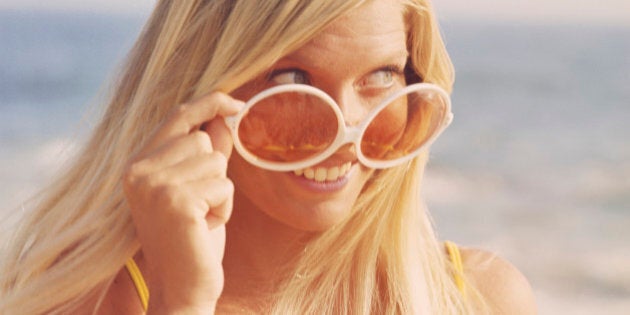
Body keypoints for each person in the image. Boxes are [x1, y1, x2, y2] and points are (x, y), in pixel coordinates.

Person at [0, 0, 537, 314]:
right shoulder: (85, 304)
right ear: (197, 87)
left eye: (381, 77)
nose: (345, 128)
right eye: (290, 79)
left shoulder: (478, 299)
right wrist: (181, 300)